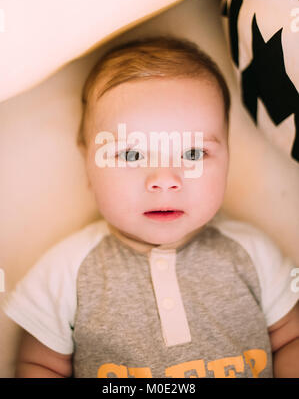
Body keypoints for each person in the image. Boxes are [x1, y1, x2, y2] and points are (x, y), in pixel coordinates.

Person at [3, 36, 299, 378]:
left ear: (229, 157)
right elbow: (40, 364)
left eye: (192, 154)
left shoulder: (253, 254)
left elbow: (290, 339)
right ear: (88, 163)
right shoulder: (66, 273)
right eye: (132, 154)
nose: (164, 180)